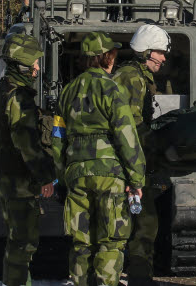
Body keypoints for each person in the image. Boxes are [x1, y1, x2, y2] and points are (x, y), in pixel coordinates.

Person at [50, 32, 146, 286]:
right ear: (107, 57)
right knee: (111, 241)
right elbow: (127, 136)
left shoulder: (68, 92)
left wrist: (61, 178)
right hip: (109, 173)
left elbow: (57, 137)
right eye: (112, 53)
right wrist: (136, 179)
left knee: (82, 242)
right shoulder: (112, 88)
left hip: (76, 173)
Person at [0, 33, 57, 286]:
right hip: (19, 182)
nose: (37, 68)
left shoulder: (1, 91)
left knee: (17, 241)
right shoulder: (19, 98)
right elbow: (26, 143)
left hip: (8, 178)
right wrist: (46, 176)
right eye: (34, 63)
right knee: (23, 243)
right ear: (23, 64)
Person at [111, 24, 169, 286]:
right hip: (128, 164)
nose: (164, 57)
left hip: (130, 162)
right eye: (160, 52)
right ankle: (138, 279)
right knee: (143, 224)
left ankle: (138, 277)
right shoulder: (131, 78)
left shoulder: (135, 76)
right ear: (146, 51)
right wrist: (158, 143)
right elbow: (129, 127)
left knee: (143, 223)